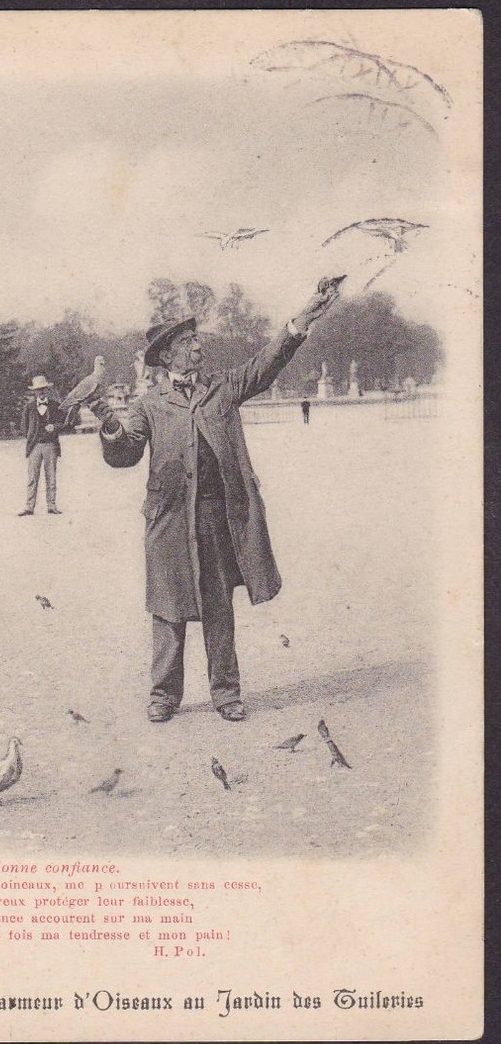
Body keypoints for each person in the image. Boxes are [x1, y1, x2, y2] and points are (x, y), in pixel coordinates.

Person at [85, 285, 338, 722]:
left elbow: (268, 363)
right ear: (167, 356)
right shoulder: (148, 404)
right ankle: (164, 695)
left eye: (195, 340)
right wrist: (110, 429)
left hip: (217, 518)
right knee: (167, 608)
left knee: (219, 605)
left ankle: (226, 693)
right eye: (187, 342)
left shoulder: (223, 388)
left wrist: (303, 318)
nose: (197, 346)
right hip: (167, 522)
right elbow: (124, 455)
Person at [18, 375, 72, 516]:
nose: (41, 392)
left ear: (46, 390)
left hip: (51, 445)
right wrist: (32, 436)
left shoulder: (54, 405)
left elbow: (64, 423)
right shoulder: (29, 407)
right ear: (34, 392)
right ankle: (29, 507)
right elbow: (23, 427)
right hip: (35, 446)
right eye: (38, 390)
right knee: (32, 477)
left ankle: (52, 506)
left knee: (51, 476)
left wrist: (54, 427)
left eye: (43, 389)